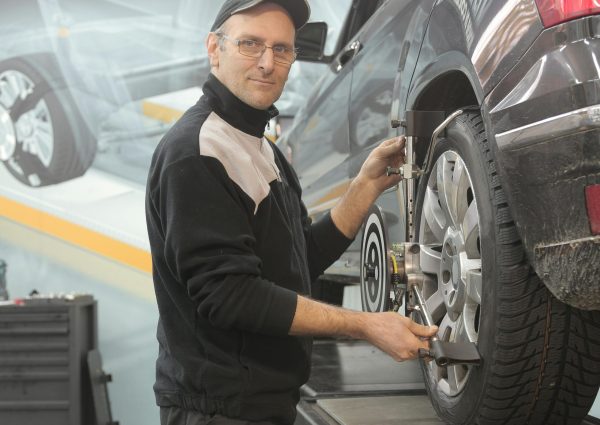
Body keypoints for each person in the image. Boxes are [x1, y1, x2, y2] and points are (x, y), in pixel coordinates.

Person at [145, 1, 438, 424]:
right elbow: (230, 296)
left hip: (264, 403)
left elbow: (303, 258)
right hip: (218, 411)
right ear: (214, 48)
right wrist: (364, 324)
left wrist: (365, 186)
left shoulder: (264, 151)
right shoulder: (197, 152)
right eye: (250, 44)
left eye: (281, 49)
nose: (267, 62)